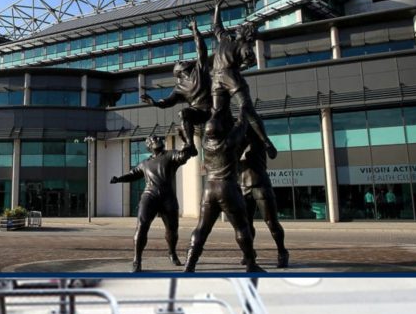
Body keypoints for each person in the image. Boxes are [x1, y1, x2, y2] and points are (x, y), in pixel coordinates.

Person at [184, 114, 263, 273]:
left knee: (201, 228)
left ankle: (190, 264)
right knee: (242, 227)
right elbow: (242, 123)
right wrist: (243, 109)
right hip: (227, 188)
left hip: (209, 189)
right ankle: (251, 264)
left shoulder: (206, 144)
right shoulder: (229, 142)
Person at [110, 134, 196, 272]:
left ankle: (172, 252)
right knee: (142, 225)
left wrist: (187, 143)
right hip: (150, 196)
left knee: (172, 230)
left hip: (168, 197)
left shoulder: (170, 155)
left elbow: (182, 156)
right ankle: (137, 260)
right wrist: (119, 179)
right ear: (149, 146)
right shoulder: (145, 163)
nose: (158, 140)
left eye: (158, 138)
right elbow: (133, 174)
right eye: (153, 139)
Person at [210, 0, 276, 154]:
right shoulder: (225, 38)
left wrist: (240, 64)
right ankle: (222, 144)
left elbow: (250, 59)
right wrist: (217, 8)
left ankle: (266, 142)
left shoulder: (245, 46)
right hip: (217, 79)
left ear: (246, 33)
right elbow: (216, 26)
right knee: (216, 113)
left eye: (242, 28)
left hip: (231, 76)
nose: (238, 28)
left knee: (246, 108)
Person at [140, 18, 211, 150]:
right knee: (183, 113)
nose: (185, 61)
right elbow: (168, 101)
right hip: (198, 113)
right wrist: (155, 102)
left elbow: (202, 50)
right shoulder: (179, 88)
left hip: (213, 107)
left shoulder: (199, 70)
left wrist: (195, 30)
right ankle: (190, 144)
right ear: (179, 71)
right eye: (182, 62)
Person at [239, 125, 290, 268]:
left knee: (271, 222)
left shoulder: (259, 141)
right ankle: (249, 253)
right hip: (242, 186)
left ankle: (282, 252)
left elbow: (273, 153)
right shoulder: (236, 143)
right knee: (246, 225)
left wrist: (267, 142)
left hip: (260, 184)